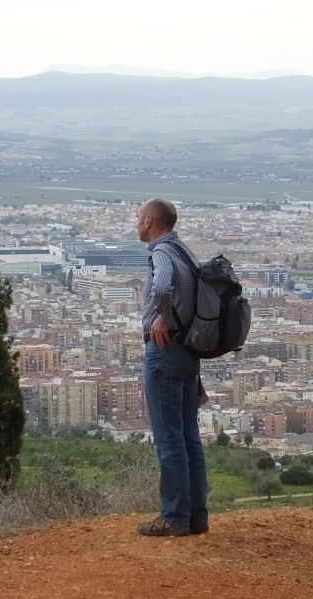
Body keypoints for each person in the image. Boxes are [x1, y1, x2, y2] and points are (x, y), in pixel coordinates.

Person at [135, 198, 209, 537]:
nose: (137, 223)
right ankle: (196, 516)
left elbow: (163, 284)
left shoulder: (162, 252)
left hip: (165, 352)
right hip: (188, 352)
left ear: (150, 220)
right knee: (189, 437)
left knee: (169, 439)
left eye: (139, 218)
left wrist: (163, 318)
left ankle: (174, 515)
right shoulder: (185, 251)